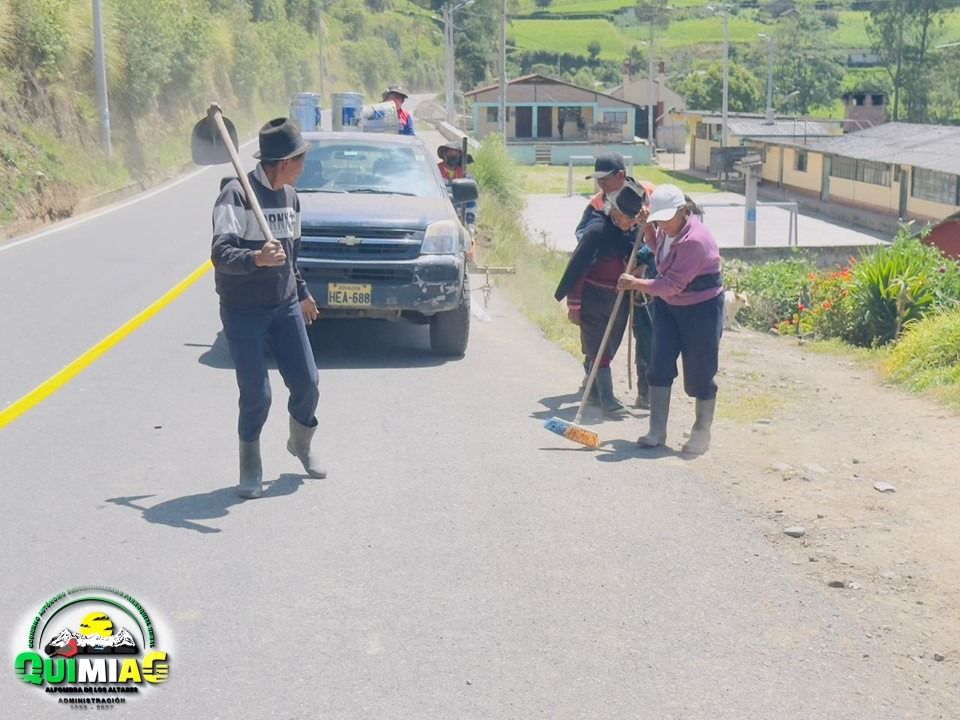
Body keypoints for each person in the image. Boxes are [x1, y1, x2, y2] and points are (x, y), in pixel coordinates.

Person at [211, 117, 326, 499]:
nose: (304, 166)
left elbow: (292, 256)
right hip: (243, 310)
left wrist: (303, 292)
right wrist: (256, 258)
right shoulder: (235, 195)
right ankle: (250, 466)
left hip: (285, 304)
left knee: (308, 382)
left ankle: (301, 442)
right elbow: (220, 254)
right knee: (257, 393)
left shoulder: (291, 198)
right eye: (301, 159)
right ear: (285, 162)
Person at [616, 184, 723, 455]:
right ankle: (656, 431)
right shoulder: (667, 229)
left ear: (683, 211)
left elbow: (671, 284)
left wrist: (635, 283)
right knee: (659, 364)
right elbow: (661, 255)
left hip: (701, 310)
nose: (662, 225)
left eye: (666, 219)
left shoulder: (695, 241)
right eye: (658, 220)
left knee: (700, 371)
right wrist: (649, 231)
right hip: (669, 306)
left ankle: (701, 434)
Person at [555, 182, 647, 415]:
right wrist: (574, 305)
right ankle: (607, 399)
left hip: (619, 297)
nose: (631, 223)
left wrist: (637, 270)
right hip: (593, 297)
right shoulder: (596, 231)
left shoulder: (635, 231)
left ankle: (595, 391)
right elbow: (579, 269)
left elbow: (641, 255)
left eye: (634, 218)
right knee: (598, 346)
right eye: (628, 218)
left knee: (610, 346)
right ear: (614, 210)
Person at [436, 141, 477, 227]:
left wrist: (470, 222)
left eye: (456, 154)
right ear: (444, 154)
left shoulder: (465, 176)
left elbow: (471, 201)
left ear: (460, 157)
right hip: (438, 214)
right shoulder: (435, 170)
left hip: (458, 218)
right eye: (450, 153)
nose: (453, 155)